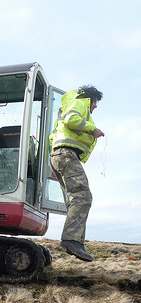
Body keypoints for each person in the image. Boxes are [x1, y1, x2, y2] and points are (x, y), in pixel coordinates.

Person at [49, 85, 105, 262]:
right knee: (83, 197)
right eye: (95, 102)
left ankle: (76, 241)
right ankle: (72, 240)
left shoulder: (68, 104)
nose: (95, 106)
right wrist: (91, 129)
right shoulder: (80, 102)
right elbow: (71, 120)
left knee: (74, 200)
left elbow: (53, 137)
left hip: (59, 155)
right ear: (90, 98)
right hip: (66, 154)